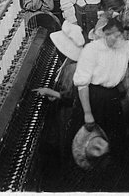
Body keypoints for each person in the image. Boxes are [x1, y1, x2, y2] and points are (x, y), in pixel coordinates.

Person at [72, 18, 129, 161]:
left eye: (118, 35)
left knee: (114, 138)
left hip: (112, 98)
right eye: (111, 34)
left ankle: (112, 167)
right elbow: (82, 85)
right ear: (103, 33)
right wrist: (88, 113)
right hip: (92, 98)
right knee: (90, 142)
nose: (115, 38)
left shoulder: (124, 47)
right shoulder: (91, 50)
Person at [34, 21, 85, 160]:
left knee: (65, 138)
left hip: (69, 112)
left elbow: (70, 96)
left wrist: (48, 91)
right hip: (69, 108)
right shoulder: (69, 61)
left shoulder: (71, 69)